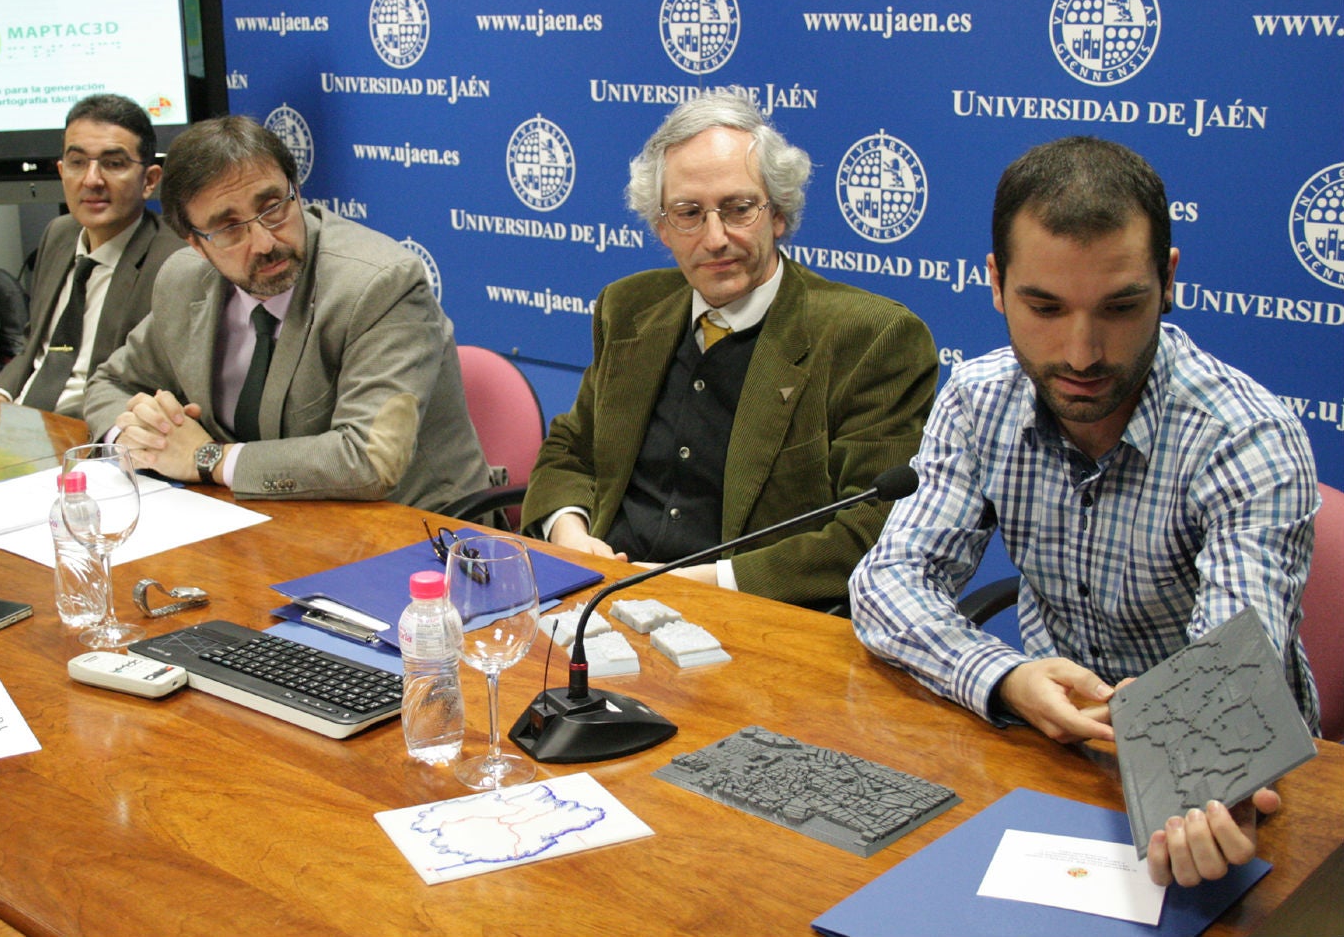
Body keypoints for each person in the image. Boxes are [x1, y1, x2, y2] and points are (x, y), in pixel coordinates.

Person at [848, 136, 1320, 887]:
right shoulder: (976, 399)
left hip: (1227, 779)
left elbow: (1229, 677)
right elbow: (887, 582)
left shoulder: (1246, 437)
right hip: (1052, 754)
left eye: (1121, 306)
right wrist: (1004, 677)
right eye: (1044, 306)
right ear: (997, 284)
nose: (1081, 351)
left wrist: (1198, 783)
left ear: (1167, 282)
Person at [520, 88, 937, 610]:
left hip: (752, 617)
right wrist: (572, 535)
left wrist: (705, 583)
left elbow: (872, 527)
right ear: (661, 228)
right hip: (596, 600)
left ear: (778, 214)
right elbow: (571, 447)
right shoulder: (627, 307)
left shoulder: (870, 337)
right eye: (688, 213)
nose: (715, 238)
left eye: (738, 209)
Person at [81, 115, 490, 511]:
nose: (263, 242)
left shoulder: (380, 284)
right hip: (258, 520)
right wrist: (142, 438)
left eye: (273, 207)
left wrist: (206, 459)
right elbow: (110, 382)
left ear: (296, 190)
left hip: (418, 533)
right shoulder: (183, 281)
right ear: (196, 244)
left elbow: (369, 459)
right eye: (228, 228)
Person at [0, 94, 186, 417]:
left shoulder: (175, 262)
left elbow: (148, 388)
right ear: (62, 171)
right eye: (78, 163)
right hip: (18, 419)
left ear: (149, 181)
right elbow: (36, 347)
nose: (91, 180)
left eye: (113, 163)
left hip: (91, 432)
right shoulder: (59, 233)